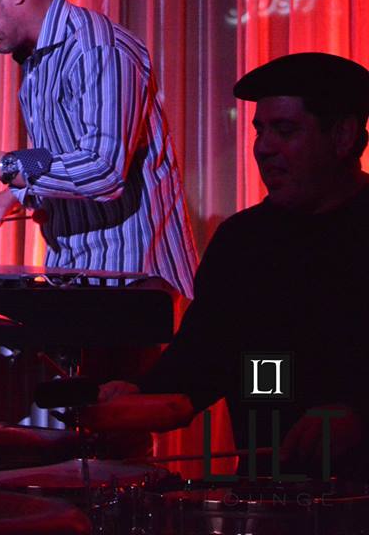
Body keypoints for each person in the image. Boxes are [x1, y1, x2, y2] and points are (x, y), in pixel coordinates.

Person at [100, 52, 369, 478]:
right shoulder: (243, 240)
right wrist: (141, 394)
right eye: (260, 131)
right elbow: (204, 355)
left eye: (285, 130)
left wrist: (358, 414)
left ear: (342, 136)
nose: (263, 148)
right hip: (266, 493)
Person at [0, 0, 196, 299]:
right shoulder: (37, 62)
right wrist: (14, 195)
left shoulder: (98, 49)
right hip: (78, 274)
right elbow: (60, 159)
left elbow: (103, 171)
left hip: (134, 278)